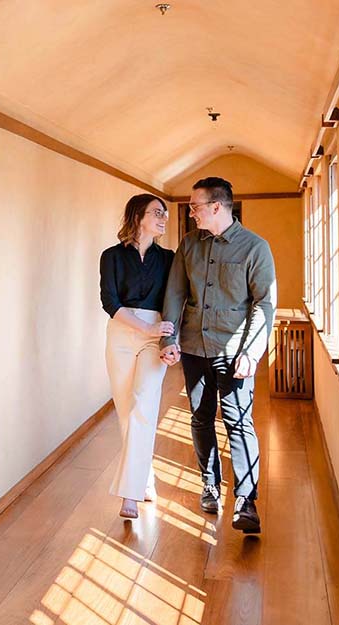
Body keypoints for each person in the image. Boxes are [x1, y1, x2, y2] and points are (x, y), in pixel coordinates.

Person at [160, 177, 276, 534]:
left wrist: (251, 352)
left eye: (195, 206)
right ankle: (210, 484)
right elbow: (175, 293)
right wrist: (168, 338)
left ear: (216, 207)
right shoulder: (188, 245)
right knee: (200, 417)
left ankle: (246, 500)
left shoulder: (255, 248)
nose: (190, 212)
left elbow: (264, 303)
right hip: (194, 348)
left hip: (235, 349)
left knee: (238, 421)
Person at [99, 194, 175, 519]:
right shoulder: (112, 256)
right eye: (157, 213)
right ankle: (144, 478)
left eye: (165, 214)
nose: (163, 218)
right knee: (126, 410)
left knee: (144, 404)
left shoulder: (169, 258)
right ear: (138, 216)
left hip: (154, 335)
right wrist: (140, 329)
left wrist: (165, 338)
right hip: (121, 333)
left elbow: (174, 300)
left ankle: (129, 495)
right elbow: (110, 302)